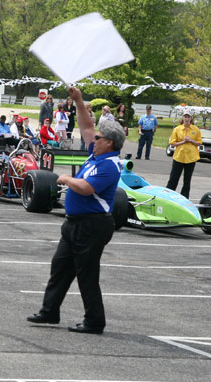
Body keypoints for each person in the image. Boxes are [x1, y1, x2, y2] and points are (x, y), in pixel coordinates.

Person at [27, 87, 125, 335]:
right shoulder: (97, 154)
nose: (94, 139)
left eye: (100, 138)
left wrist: (65, 179)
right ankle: (49, 311)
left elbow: (85, 188)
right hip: (76, 223)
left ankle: (94, 321)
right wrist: (79, 101)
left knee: (87, 274)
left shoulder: (111, 165)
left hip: (93, 225)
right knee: (60, 268)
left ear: (110, 143)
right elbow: (86, 127)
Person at [166, 112, 201, 198]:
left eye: (188, 117)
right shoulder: (177, 129)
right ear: (183, 118)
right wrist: (183, 141)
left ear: (191, 118)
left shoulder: (195, 129)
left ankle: (184, 197)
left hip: (191, 157)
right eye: (185, 116)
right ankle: (168, 195)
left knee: (187, 180)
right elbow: (172, 143)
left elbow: (199, 143)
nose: (186, 118)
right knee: (174, 178)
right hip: (179, 156)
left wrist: (191, 141)